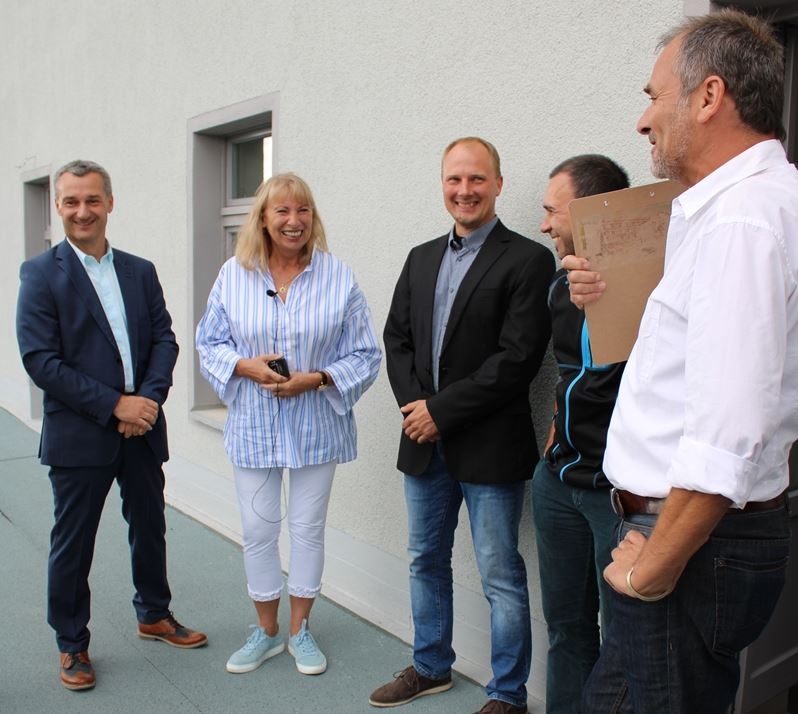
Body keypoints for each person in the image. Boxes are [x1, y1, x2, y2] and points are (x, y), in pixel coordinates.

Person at [563, 10, 798, 713]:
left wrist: (653, 569)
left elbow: (729, 431)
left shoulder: (741, 221)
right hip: (683, 535)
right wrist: (607, 295)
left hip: (686, 543)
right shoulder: (739, 207)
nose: (643, 120)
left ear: (709, 96)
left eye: (653, 95)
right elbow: (699, 349)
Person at [371, 137, 555, 714]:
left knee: (500, 572)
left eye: (477, 179)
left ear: (498, 184)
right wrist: (416, 410)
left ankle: (508, 694)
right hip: (424, 443)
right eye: (455, 179)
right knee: (425, 558)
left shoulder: (528, 260)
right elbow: (397, 339)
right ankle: (431, 666)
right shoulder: (420, 257)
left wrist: (440, 412)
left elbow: (517, 359)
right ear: (443, 184)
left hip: (489, 447)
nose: (465, 190)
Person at [16, 159, 207, 692]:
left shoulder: (139, 271)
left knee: (149, 525)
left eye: (92, 200)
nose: (83, 211)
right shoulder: (40, 274)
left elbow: (165, 339)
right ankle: (72, 642)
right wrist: (115, 406)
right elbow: (40, 361)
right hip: (81, 435)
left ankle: (154, 614)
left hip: (141, 429)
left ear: (110, 204)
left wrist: (146, 402)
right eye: (72, 201)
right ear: (58, 207)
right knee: (73, 542)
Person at [195, 172, 381, 677]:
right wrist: (245, 366)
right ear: (262, 218)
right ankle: (266, 631)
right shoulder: (234, 274)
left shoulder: (338, 276)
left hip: (316, 425)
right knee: (258, 528)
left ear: (312, 218)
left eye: (302, 210)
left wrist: (316, 379)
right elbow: (209, 342)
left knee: (307, 528)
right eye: (282, 210)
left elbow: (366, 353)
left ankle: (300, 630)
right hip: (254, 426)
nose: (293, 220)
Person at [532, 154, 629, 714]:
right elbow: (571, 374)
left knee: (623, 641)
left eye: (553, 211)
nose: (544, 223)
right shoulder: (557, 289)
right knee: (566, 628)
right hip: (558, 484)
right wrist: (554, 425)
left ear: (590, 211)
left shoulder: (648, 286)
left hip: (618, 496)